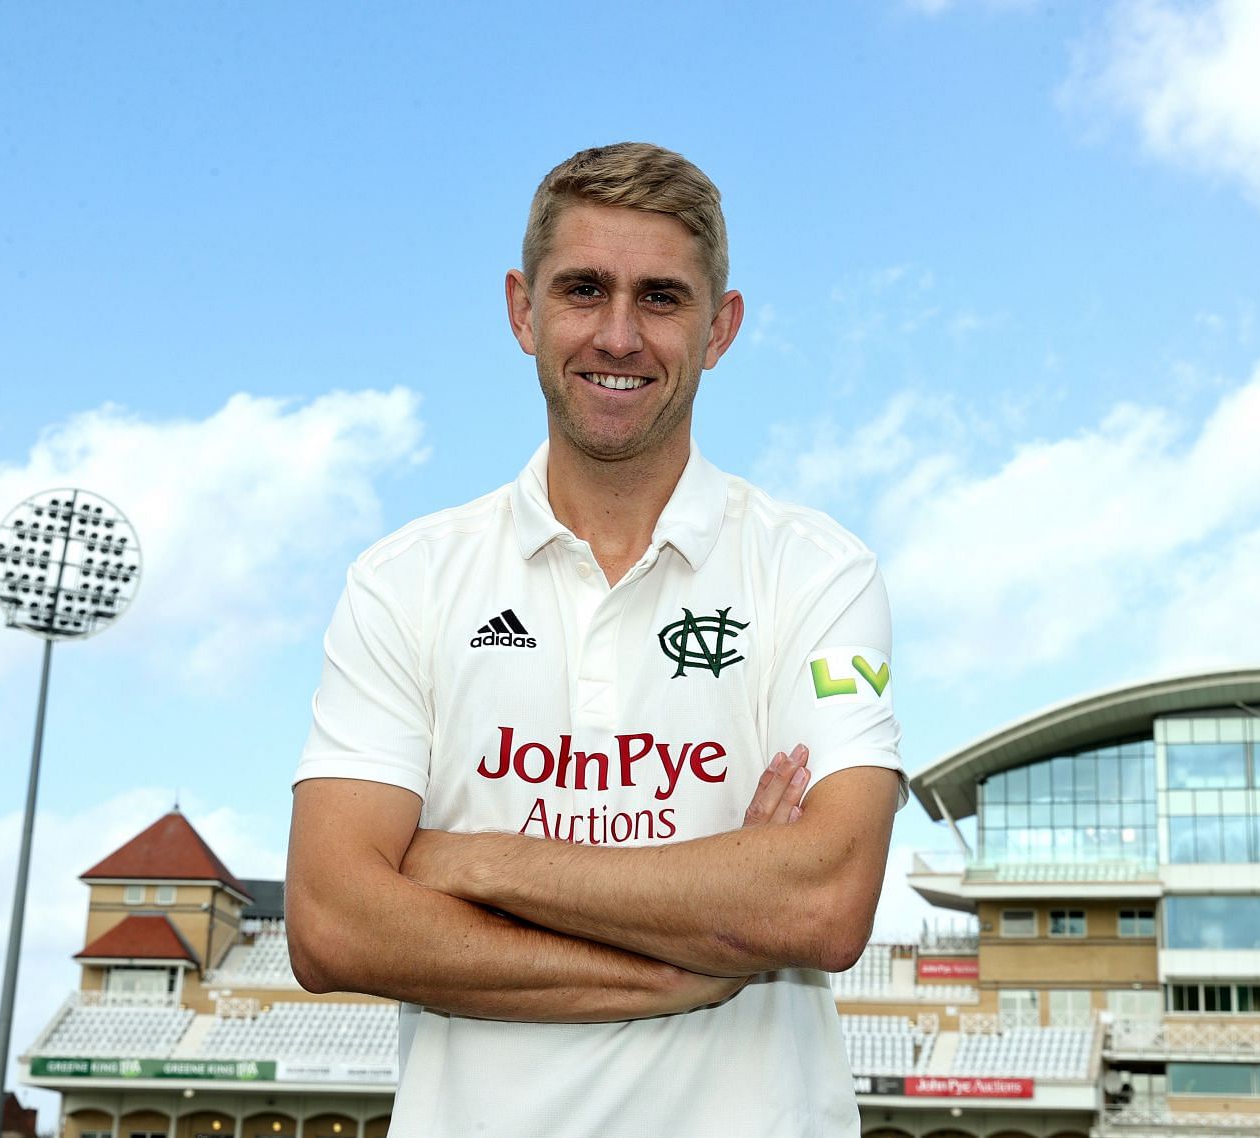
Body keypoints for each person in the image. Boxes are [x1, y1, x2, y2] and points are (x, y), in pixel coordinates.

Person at [285, 142, 905, 1137]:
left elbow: (824, 900)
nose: (619, 335)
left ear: (721, 327)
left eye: (661, 297)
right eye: (584, 289)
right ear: (522, 311)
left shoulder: (817, 573)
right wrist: (692, 953)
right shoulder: (405, 580)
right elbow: (330, 922)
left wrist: (473, 861)